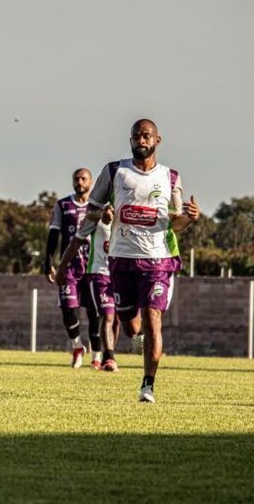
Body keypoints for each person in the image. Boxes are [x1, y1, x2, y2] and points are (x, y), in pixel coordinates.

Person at [58, 118, 199, 403]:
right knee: (131, 325)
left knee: (152, 319)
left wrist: (190, 217)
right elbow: (92, 215)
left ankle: (148, 384)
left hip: (157, 260)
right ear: (130, 140)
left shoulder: (170, 177)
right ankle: (138, 343)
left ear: (157, 140)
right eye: (136, 136)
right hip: (121, 259)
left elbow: (176, 222)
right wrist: (64, 263)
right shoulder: (114, 172)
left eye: (146, 136)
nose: (141, 141)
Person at [44, 169, 102, 369]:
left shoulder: (99, 206)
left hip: (93, 266)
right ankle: (77, 346)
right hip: (69, 268)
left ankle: (97, 356)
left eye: (83, 178)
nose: (79, 182)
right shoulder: (63, 205)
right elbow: (53, 236)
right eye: (76, 179)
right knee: (68, 309)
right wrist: (48, 263)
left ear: (91, 182)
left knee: (95, 314)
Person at [56, 205, 121, 371]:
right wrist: (61, 267)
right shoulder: (93, 219)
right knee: (106, 316)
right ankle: (108, 358)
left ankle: (138, 334)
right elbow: (76, 241)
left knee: (124, 321)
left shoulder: (126, 218)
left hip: (122, 273)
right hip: (99, 274)